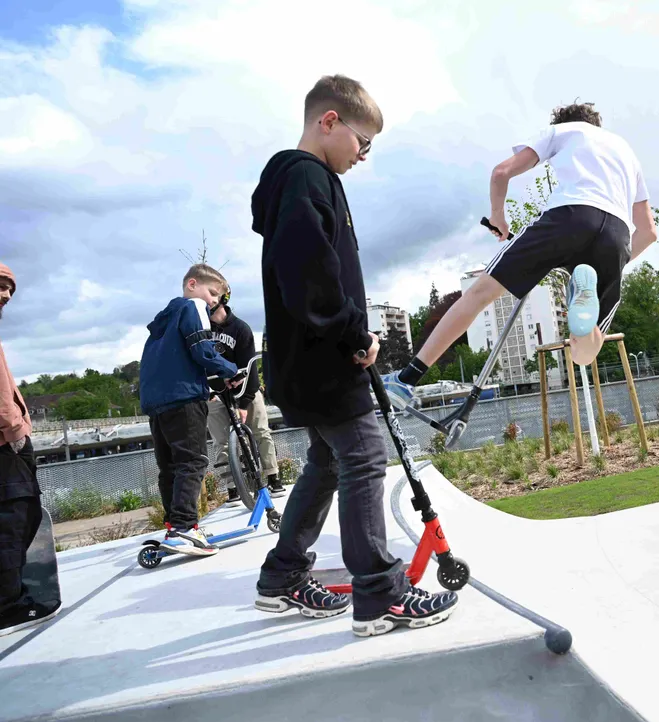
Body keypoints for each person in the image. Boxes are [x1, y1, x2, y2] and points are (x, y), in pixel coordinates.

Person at [250, 74, 457, 636]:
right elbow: (309, 271)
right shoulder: (305, 178)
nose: (364, 156)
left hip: (304, 357)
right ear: (330, 122)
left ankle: (282, 576)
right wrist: (352, 333)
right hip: (323, 356)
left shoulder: (299, 181)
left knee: (326, 461)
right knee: (364, 454)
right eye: (362, 143)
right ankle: (381, 595)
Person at [383, 101, 659, 407]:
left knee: (479, 294)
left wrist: (498, 217)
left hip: (569, 215)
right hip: (617, 234)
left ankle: (405, 379)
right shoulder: (626, 152)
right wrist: (617, 264)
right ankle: (585, 305)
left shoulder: (563, 131)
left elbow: (501, 172)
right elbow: (648, 232)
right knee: (585, 352)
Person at [139, 264, 241, 556]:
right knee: (193, 462)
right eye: (212, 293)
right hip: (184, 399)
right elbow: (202, 350)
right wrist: (230, 370)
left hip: (157, 403)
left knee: (169, 467)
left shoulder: (162, 322)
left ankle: (174, 525)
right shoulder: (193, 306)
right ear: (192, 284)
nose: (213, 302)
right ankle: (185, 528)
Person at [0, 262, 62, 637]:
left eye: (10, 289)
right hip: (5, 443)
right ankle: (7, 606)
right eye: (0, 286)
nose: (6, 294)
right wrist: (14, 431)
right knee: (15, 518)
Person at [207, 286, 285, 503]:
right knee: (220, 441)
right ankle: (232, 487)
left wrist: (244, 403)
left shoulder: (240, 328)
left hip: (245, 388)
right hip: (216, 392)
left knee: (260, 431)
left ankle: (273, 476)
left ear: (222, 299)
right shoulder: (201, 330)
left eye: (212, 297)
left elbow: (250, 368)